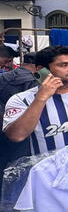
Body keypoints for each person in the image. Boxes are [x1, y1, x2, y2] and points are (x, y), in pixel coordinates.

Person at [0, 52, 38, 197]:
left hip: (4, 127)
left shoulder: (4, 76)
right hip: (24, 132)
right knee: (23, 167)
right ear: (38, 66)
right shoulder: (34, 82)